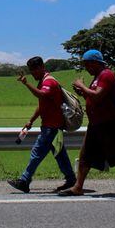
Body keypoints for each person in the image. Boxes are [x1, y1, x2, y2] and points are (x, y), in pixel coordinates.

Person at [58, 49, 115, 197]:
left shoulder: (106, 75)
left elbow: (98, 96)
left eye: (87, 64)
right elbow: (92, 96)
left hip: (108, 124)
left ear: (95, 63)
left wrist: (81, 85)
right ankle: (78, 186)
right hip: (96, 124)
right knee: (85, 155)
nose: (86, 68)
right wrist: (82, 92)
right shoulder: (97, 77)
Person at [7, 56, 76, 193]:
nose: (32, 74)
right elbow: (43, 104)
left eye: (33, 71)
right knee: (59, 154)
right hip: (53, 126)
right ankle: (71, 179)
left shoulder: (49, 82)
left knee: (37, 153)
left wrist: (26, 84)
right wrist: (31, 120)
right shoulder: (44, 81)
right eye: (31, 71)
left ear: (41, 68)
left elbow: (42, 96)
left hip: (51, 126)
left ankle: (24, 180)